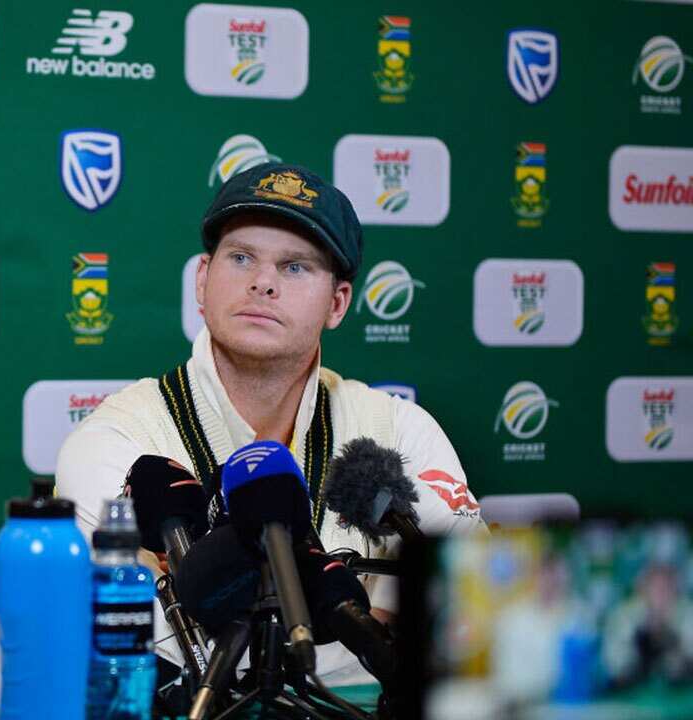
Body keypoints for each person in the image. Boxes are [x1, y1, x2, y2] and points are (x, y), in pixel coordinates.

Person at [55, 162, 487, 685]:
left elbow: (470, 617)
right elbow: (139, 658)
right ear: (201, 278)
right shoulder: (119, 440)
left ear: (338, 303)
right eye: (241, 258)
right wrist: (372, 625)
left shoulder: (396, 431)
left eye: (295, 267)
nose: (262, 283)